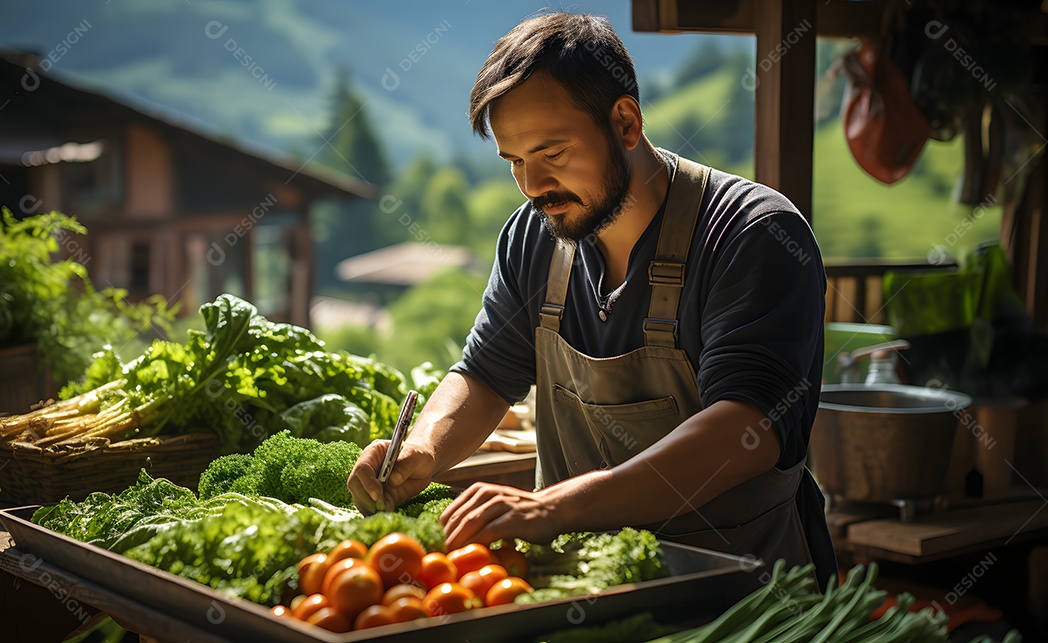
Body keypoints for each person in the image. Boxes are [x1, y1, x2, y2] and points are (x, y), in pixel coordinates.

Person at [348, 11, 838, 586]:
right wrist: (424, 451)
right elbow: (484, 376)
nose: (533, 187)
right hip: (583, 590)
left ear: (625, 122)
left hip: (743, 596)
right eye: (515, 162)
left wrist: (556, 508)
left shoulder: (752, 234)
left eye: (552, 154)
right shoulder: (534, 237)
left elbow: (744, 433)